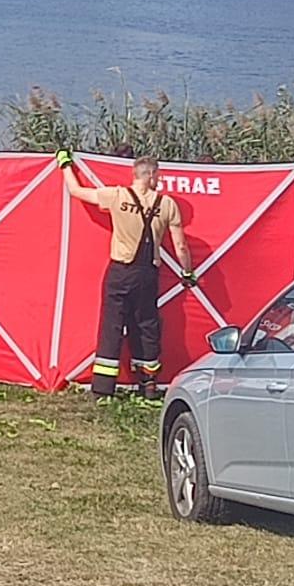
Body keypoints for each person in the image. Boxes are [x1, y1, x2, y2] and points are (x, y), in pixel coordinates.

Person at [60, 149, 196, 401]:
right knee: (146, 325)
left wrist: (65, 164)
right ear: (151, 175)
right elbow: (181, 246)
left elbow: (76, 191)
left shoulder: (116, 195)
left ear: (136, 175)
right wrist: (188, 272)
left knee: (112, 325)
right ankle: (148, 384)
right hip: (148, 274)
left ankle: (103, 389)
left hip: (120, 271)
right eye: (158, 176)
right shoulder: (167, 204)